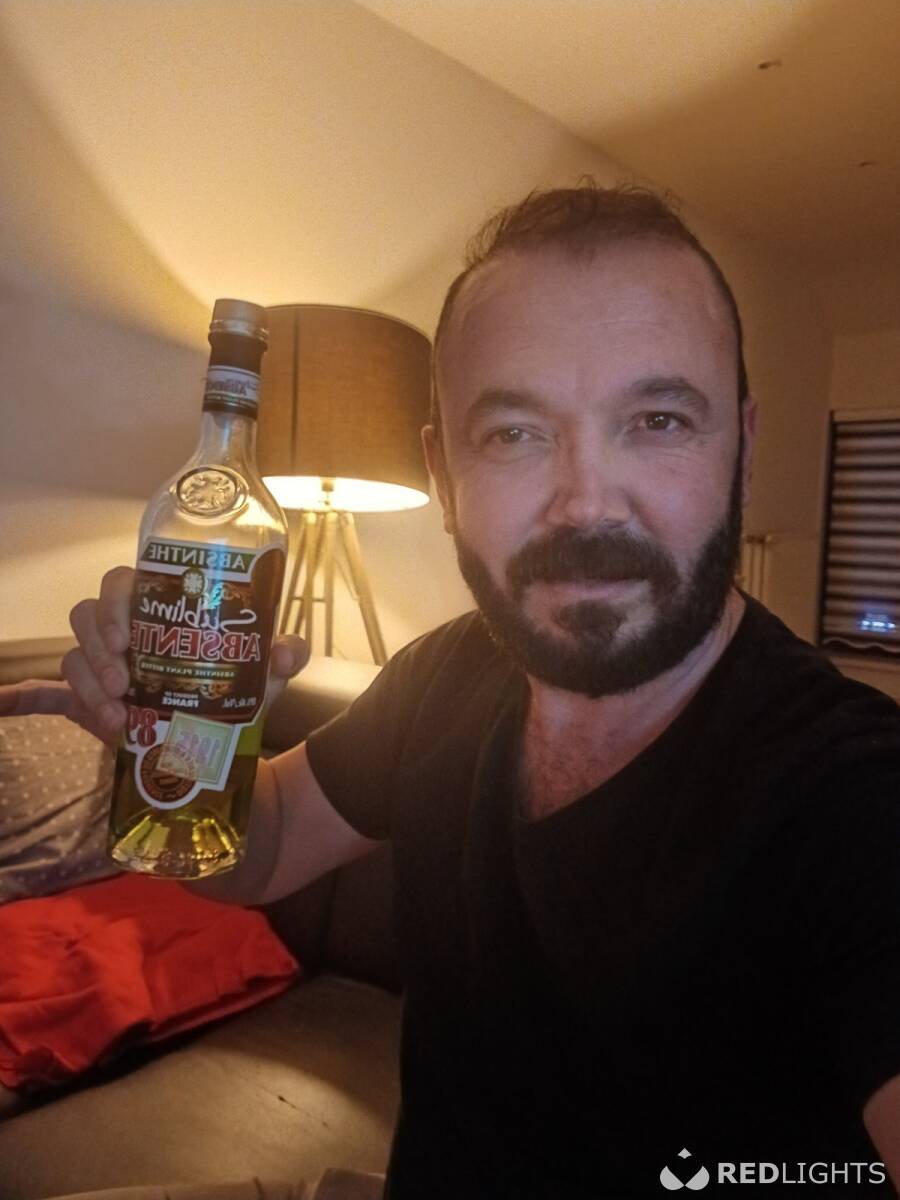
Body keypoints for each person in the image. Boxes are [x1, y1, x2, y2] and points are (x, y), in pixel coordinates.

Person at [11, 182, 900, 1198]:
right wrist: (166, 753)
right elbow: (264, 849)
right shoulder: (444, 674)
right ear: (442, 476)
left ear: (741, 447)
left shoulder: (853, 797)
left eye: (658, 420)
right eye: (514, 433)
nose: (586, 504)